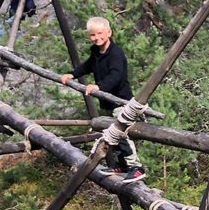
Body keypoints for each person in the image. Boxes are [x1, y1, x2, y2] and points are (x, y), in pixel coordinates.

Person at [60, 17, 146, 183]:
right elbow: (87, 66)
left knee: (122, 133)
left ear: (108, 32)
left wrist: (99, 87)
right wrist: (72, 74)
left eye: (100, 33)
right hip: (109, 102)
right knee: (115, 134)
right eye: (92, 35)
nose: (96, 37)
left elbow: (116, 76)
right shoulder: (96, 52)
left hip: (120, 101)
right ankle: (122, 164)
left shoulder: (115, 53)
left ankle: (136, 167)